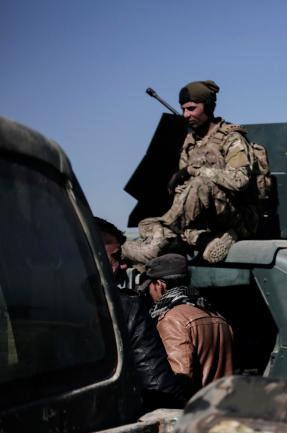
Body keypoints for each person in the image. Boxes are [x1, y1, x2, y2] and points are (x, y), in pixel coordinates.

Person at [122, 80, 259, 266]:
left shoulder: (232, 138)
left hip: (236, 214)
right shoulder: (191, 143)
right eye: (183, 109)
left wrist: (194, 170)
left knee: (200, 183)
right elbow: (184, 192)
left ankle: (166, 234)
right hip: (206, 218)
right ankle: (211, 238)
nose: (186, 115)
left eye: (192, 108)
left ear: (208, 106)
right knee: (147, 223)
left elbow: (240, 180)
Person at [94, 217, 185, 410]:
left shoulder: (38, 303)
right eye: (116, 256)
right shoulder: (127, 307)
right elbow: (161, 391)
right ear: (95, 254)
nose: (124, 265)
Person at [140, 254, 234, 397]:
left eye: (150, 286)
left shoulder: (172, 319)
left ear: (160, 285)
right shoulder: (216, 315)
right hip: (220, 404)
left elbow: (179, 378)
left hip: (193, 411)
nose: (148, 291)